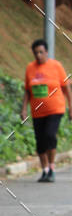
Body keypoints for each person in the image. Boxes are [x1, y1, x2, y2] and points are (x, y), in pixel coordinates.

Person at [21, 38, 72, 182]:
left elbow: (66, 87)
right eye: (36, 52)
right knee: (40, 142)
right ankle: (45, 170)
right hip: (37, 111)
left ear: (46, 52)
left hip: (55, 108)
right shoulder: (30, 68)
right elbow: (27, 90)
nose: (38, 55)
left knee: (50, 135)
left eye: (41, 52)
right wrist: (24, 109)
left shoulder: (56, 66)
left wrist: (71, 107)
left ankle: (52, 167)